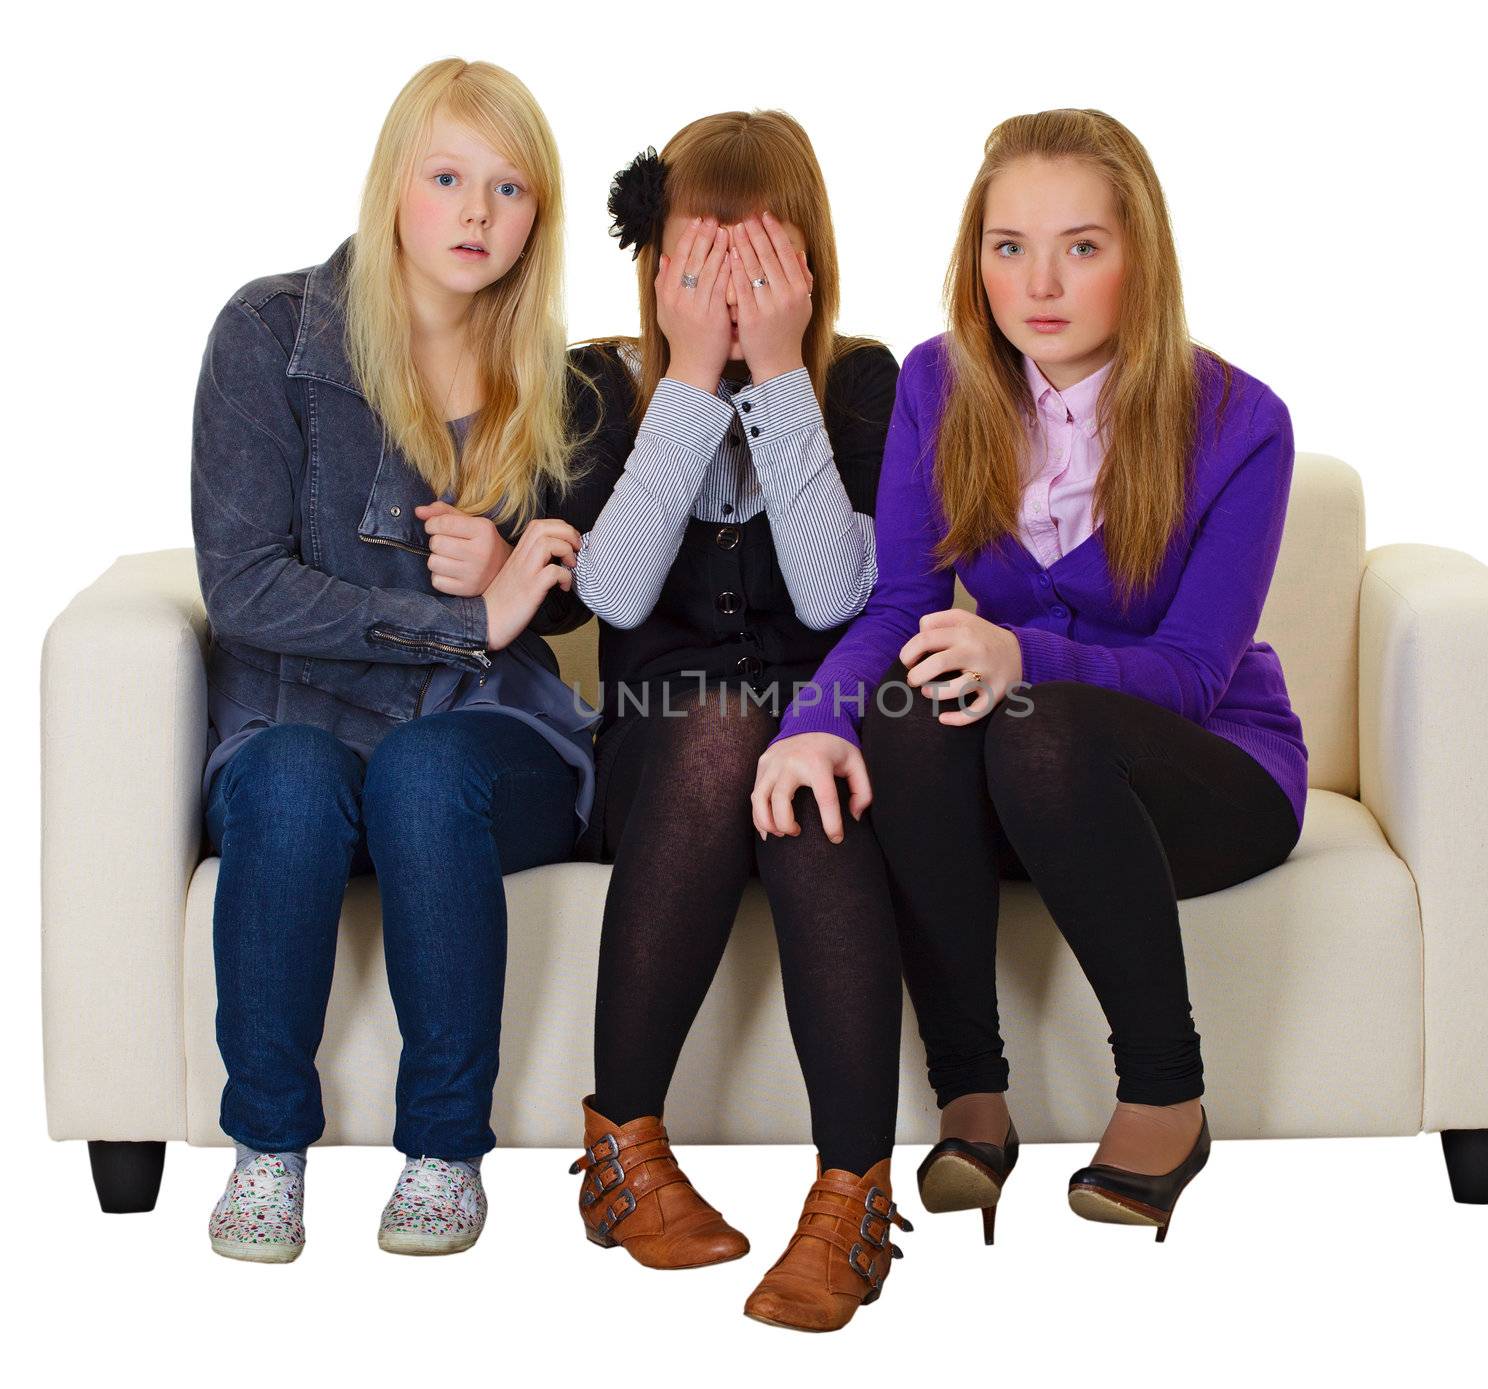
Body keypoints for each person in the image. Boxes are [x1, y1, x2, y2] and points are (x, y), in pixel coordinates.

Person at [753, 107, 1309, 1246]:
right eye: (1008, 247)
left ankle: (1165, 1091)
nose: (1038, 283)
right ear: (976, 261)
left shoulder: (1239, 421)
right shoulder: (937, 385)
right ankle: (972, 1096)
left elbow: (1197, 674)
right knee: (914, 712)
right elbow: (901, 610)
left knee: (1038, 723)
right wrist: (810, 723)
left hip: (1209, 774)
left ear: (1138, 257)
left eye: (1081, 247)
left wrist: (1023, 654)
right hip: (1032, 777)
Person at [191, 57, 599, 1262]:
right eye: (447, 177)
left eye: (510, 188)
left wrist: (518, 560)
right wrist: (459, 617)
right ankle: (267, 1149)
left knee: (424, 773)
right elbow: (243, 584)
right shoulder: (271, 334)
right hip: (297, 717)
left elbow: (572, 608)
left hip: (490, 742)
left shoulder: (565, 382)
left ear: (538, 216)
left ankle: (443, 1153)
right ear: (393, 189)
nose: (478, 214)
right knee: (283, 784)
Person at [560, 110, 910, 1332]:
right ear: (658, 263)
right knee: (717, 724)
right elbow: (605, 593)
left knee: (801, 778)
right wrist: (691, 382)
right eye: (704, 258)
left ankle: (849, 1198)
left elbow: (832, 596)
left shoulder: (864, 387)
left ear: (806, 265)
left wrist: (778, 379)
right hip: (661, 757)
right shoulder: (603, 383)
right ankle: (621, 1148)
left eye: (759, 260)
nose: (730, 288)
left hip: (817, 741)